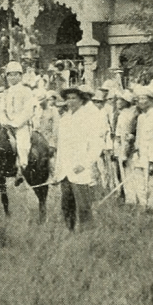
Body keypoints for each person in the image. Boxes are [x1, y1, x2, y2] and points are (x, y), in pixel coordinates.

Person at [54, 85, 103, 231]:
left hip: (80, 168)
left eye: (74, 98)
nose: (70, 101)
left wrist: (84, 164)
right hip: (65, 169)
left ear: (82, 100)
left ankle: (87, 233)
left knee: (83, 204)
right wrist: (58, 170)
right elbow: (61, 147)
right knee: (66, 204)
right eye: (68, 98)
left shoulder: (88, 118)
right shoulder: (64, 120)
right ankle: (70, 230)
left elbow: (96, 144)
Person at [0, 61, 35, 183]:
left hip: (21, 125)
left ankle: (21, 169)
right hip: (7, 124)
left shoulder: (26, 91)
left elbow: (28, 111)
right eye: (10, 75)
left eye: (15, 74)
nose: (12, 77)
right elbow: (1, 110)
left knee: (22, 144)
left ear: (21, 76)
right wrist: (4, 122)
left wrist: (16, 123)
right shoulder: (5, 93)